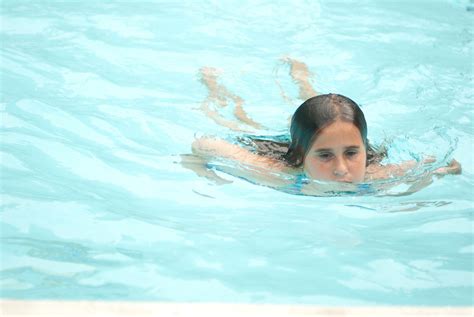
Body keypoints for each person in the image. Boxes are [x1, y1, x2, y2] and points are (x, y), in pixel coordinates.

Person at [184, 58, 461, 194]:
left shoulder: (377, 175)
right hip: (278, 145)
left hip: (317, 134)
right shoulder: (277, 173)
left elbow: (436, 165)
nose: (341, 168)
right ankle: (213, 83)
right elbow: (203, 145)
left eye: (352, 153)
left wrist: (442, 172)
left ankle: (301, 77)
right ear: (302, 156)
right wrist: (206, 175)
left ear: (365, 150)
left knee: (324, 114)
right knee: (236, 117)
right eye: (325, 156)